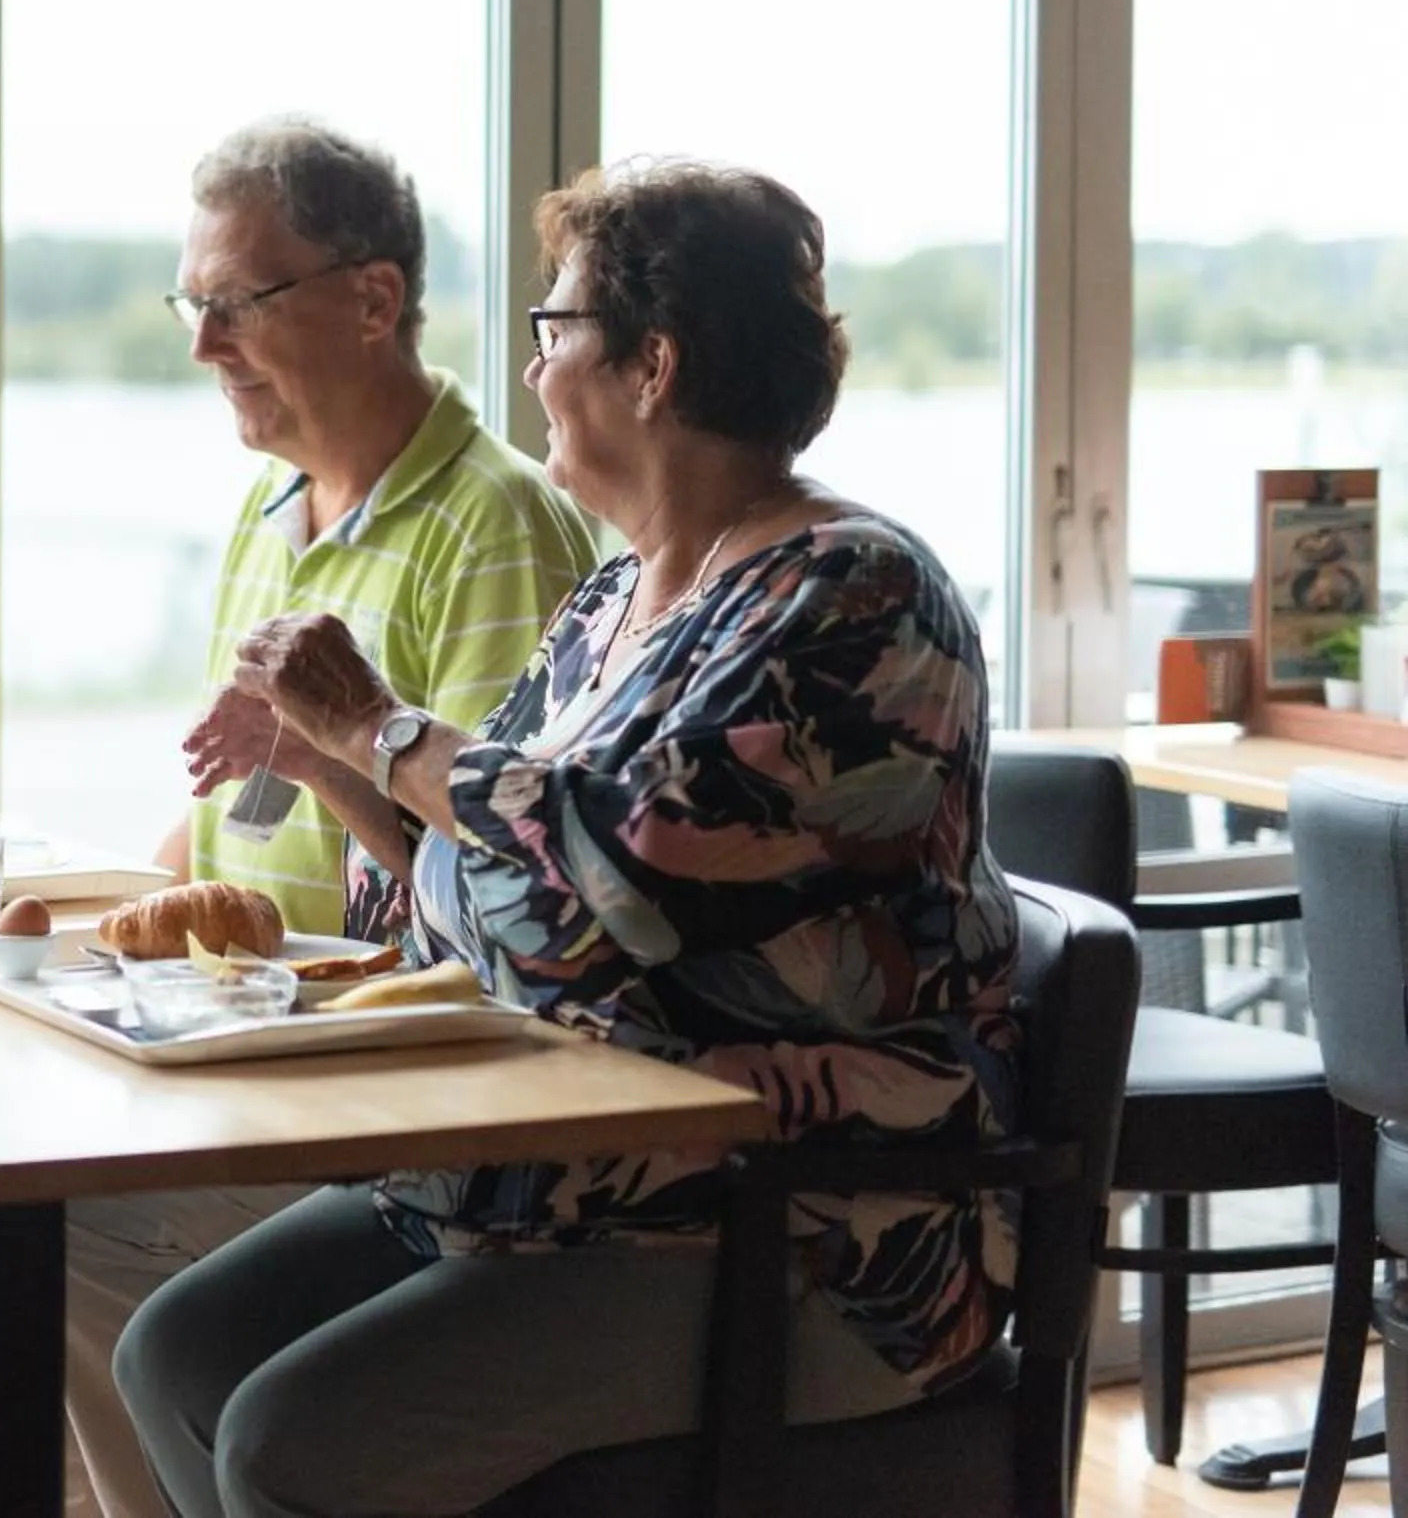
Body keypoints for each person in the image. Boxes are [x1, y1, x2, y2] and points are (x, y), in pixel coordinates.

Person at [114, 159, 1024, 1518]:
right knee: (172, 1355)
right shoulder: (611, 604)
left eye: (554, 331)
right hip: (562, 1187)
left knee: (293, 1445)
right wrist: (334, 763)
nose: (532, 371)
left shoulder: (853, 589)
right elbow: (495, 891)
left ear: (651, 363)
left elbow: (639, 870)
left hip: (801, 1227)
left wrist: (375, 726)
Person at [0, 118, 598, 1518]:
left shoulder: (498, 523)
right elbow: (228, 813)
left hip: (363, 1082)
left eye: (237, 304)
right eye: (195, 305)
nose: (203, 346)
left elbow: (507, 876)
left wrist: (328, 756)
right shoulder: (273, 509)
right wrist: (61, 926)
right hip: (222, 1028)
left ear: (373, 298)